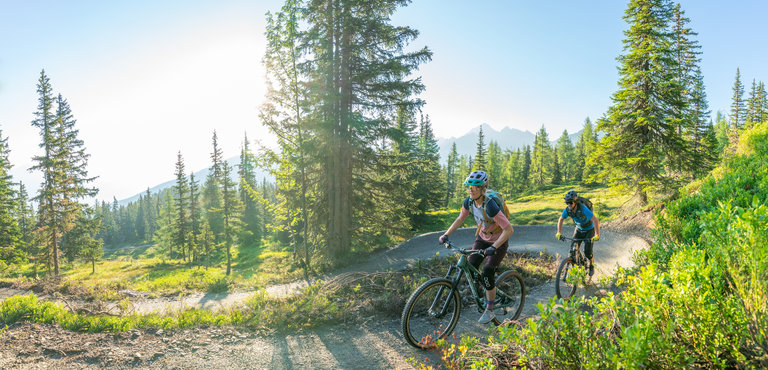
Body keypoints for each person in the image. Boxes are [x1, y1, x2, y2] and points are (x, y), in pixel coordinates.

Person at [438, 170, 514, 324]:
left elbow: (509, 229)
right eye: (469, 186)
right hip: (482, 236)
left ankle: (490, 310)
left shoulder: (491, 206)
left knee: (487, 272)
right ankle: (485, 290)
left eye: (475, 186)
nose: (471, 189)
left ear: (482, 188)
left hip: (498, 240)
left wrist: (494, 246)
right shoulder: (469, 202)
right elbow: (460, 219)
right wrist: (446, 234)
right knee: (471, 268)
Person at [555, 190, 600, 276]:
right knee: (572, 249)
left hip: (589, 230)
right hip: (579, 229)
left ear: (575, 202)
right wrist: (559, 232)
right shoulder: (567, 210)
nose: (569, 205)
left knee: (587, 252)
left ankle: (591, 265)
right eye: (567, 203)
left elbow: (595, 220)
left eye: (571, 203)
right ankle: (577, 263)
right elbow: (561, 219)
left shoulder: (583, 208)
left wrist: (597, 235)